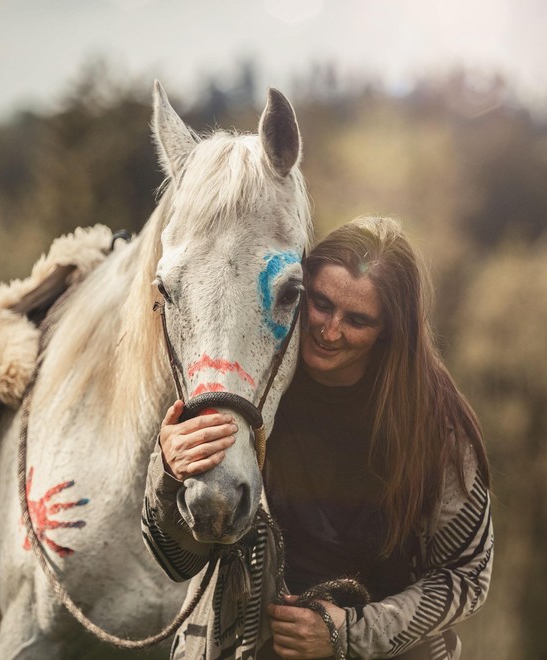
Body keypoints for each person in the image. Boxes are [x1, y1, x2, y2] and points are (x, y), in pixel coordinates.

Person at [142, 216, 493, 659]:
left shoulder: (435, 426)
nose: (329, 331)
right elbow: (178, 561)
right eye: (322, 303)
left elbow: (467, 575)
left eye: (358, 319)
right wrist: (170, 473)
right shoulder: (247, 389)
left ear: (389, 329)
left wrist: (349, 634)